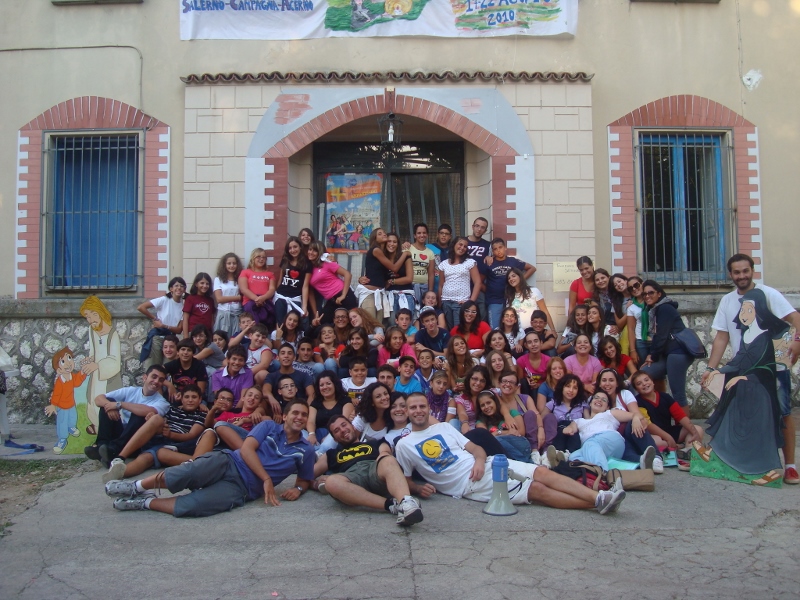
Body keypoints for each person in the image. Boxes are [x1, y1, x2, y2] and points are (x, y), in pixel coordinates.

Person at [395, 393, 626, 514]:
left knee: (542, 472)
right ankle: (596, 502)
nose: (418, 411)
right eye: (413, 407)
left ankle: (599, 497)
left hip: (487, 464)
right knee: (536, 490)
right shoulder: (404, 445)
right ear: (406, 411)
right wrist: (417, 489)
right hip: (469, 484)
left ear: (428, 408)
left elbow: (475, 448)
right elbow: (405, 479)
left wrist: (479, 460)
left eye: (422, 406)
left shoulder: (444, 428)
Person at [105, 400, 316, 517]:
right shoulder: (268, 426)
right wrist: (267, 479)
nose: (299, 417)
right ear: (285, 416)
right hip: (229, 462)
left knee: (193, 506)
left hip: (243, 489)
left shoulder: (306, 450)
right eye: (295, 413)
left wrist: (298, 489)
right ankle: (136, 486)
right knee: (186, 473)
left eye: (304, 415)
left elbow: (305, 478)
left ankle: (146, 502)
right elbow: (246, 450)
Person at [701, 254, 800, 485]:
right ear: (730, 274)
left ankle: (790, 466)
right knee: (738, 412)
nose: (742, 276)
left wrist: (798, 341)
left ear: (752, 270)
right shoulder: (727, 301)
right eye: (737, 272)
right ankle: (745, 463)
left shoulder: (768, 294)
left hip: (773, 367)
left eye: (745, 271)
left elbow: (796, 318)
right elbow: (721, 337)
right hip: (743, 367)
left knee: (782, 412)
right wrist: (711, 367)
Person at [312, 414, 423, 526]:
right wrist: (315, 484)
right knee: (331, 482)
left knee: (388, 459)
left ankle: (406, 502)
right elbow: (309, 475)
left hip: (374, 470)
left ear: (352, 426)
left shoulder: (374, 442)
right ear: (335, 438)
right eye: (336, 430)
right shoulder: (331, 454)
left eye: (344, 425)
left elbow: (385, 451)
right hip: (352, 478)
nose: (342, 430)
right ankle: (392, 505)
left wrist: (384, 455)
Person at [101, 384, 206, 483]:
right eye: (187, 397)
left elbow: (191, 435)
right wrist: (151, 417)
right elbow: (163, 420)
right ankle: (119, 461)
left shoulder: (201, 415)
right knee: (156, 418)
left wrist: (171, 435)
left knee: (145, 458)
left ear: (200, 399)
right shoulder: (172, 409)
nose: (190, 400)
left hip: (175, 442)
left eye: (194, 397)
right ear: (181, 399)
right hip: (159, 437)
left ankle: (121, 472)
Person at [84, 365, 170, 467]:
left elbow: (149, 410)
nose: (156, 381)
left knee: (139, 413)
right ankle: (102, 447)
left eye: (161, 380)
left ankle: (112, 450)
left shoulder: (163, 402)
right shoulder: (131, 391)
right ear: (145, 377)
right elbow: (99, 399)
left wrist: (119, 405)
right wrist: (110, 406)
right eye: (154, 377)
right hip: (121, 433)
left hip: (138, 442)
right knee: (107, 404)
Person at [561, 390, 655, 473]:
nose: (599, 400)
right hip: (593, 448)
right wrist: (568, 429)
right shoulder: (579, 421)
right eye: (596, 398)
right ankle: (626, 464)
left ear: (607, 407)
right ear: (590, 403)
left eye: (604, 400)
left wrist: (635, 419)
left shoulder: (610, 413)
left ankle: (603, 473)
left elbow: (635, 414)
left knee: (590, 444)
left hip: (610, 439)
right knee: (573, 457)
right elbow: (571, 427)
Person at [639, 280, 696, 410]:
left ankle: (684, 423)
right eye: (644, 294)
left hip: (678, 353)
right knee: (644, 373)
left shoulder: (664, 308)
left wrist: (652, 356)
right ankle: (659, 413)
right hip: (668, 353)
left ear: (659, 294)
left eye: (651, 293)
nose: (647, 296)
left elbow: (661, 335)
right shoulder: (655, 309)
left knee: (678, 393)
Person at [595, 368, 663, 473]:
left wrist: (635, 418)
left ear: (617, 383)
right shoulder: (595, 399)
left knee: (634, 423)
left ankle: (656, 459)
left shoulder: (624, 394)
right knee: (620, 446)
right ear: (599, 384)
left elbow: (638, 415)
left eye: (611, 380)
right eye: (604, 380)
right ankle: (643, 462)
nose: (607, 384)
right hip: (615, 439)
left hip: (632, 432)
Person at [79, 296, 122, 436]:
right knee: (92, 398)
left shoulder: (112, 334)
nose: (90, 320)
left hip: (106, 375)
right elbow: (94, 351)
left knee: (106, 399)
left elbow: (115, 360)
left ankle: (105, 428)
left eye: (91, 315)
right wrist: (89, 360)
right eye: (87, 317)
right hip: (96, 376)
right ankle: (96, 423)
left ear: (99, 313)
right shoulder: (92, 330)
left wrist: (97, 365)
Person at [631, 371, 704, 451]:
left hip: (669, 431)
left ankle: (688, 450)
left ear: (652, 382)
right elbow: (649, 425)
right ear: (636, 389)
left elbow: (680, 416)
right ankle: (676, 447)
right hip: (655, 435)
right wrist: (667, 437)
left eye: (646, 380)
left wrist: (695, 433)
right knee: (655, 442)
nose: (644, 384)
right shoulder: (637, 402)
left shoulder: (665, 397)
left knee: (697, 429)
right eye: (639, 383)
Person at [484, 238, 536, 329]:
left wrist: (520, 280)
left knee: (512, 328)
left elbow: (532, 268)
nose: (498, 250)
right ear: (492, 251)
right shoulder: (489, 263)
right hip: (494, 301)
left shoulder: (513, 261)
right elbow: (480, 280)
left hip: (512, 299)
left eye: (500, 247)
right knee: (495, 329)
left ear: (505, 248)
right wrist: (489, 290)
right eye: (495, 249)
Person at [137, 277, 186, 370]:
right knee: (154, 366)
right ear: (171, 288)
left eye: (181, 286)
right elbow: (141, 307)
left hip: (171, 338)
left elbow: (179, 329)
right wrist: (155, 319)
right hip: (158, 336)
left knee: (168, 367)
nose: (179, 288)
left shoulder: (183, 306)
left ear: (184, 289)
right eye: (176, 285)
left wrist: (164, 326)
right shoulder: (164, 300)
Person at [307, 241, 358, 325]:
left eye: (314, 251)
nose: (311, 252)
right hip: (331, 300)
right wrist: (315, 312)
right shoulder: (309, 268)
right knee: (322, 323)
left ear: (319, 253)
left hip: (344, 295)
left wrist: (343, 295)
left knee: (353, 323)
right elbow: (310, 293)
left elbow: (347, 274)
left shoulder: (326, 263)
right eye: (310, 250)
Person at [476, 389, 531, 463]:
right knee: (496, 441)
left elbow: (521, 432)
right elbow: (486, 439)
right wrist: (504, 432)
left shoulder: (512, 413)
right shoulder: (480, 422)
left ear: (495, 402)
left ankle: (528, 463)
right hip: (501, 454)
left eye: (489, 403)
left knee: (496, 440)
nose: (486, 407)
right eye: (482, 405)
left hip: (521, 446)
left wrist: (496, 434)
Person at [438, 236, 481, 330]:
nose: (462, 248)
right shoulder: (444, 264)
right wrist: (440, 303)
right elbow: (441, 285)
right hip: (446, 302)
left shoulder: (469, 262)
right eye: (460, 244)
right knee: (449, 330)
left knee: (459, 330)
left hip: (461, 303)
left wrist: (470, 302)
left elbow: (478, 283)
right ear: (454, 245)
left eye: (465, 246)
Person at [307, 372, 355, 448]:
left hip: (338, 434)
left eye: (328, 383)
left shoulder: (345, 400)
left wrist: (329, 437)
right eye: (321, 385)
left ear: (335, 384)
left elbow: (344, 421)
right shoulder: (315, 403)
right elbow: (311, 421)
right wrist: (312, 434)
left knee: (326, 446)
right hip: (318, 434)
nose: (325, 387)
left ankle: (320, 453)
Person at [273, 237, 312, 327]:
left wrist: (304, 306)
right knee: (280, 324)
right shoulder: (285, 260)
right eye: (290, 248)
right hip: (281, 297)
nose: (293, 250)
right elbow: (280, 279)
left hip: (295, 298)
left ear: (300, 247)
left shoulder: (307, 263)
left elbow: (305, 286)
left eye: (295, 247)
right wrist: (275, 296)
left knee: (296, 324)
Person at [239, 248, 277, 328]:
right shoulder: (245, 272)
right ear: (253, 258)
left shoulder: (270, 274)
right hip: (250, 303)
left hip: (265, 303)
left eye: (264, 257)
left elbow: (272, 289)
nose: (261, 259)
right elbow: (244, 289)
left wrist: (263, 298)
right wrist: (257, 299)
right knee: (253, 327)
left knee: (265, 328)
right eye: (258, 257)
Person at [466, 217, 491, 320]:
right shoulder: (463, 242)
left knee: (481, 314)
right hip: (463, 285)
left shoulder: (488, 246)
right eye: (477, 226)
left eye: (482, 227)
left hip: (479, 285)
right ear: (473, 226)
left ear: (485, 230)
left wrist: (490, 257)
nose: (479, 229)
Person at [213, 252, 244, 337]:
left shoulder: (240, 279)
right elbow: (219, 299)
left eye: (234, 263)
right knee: (222, 339)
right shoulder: (218, 279)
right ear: (224, 265)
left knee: (236, 339)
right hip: (224, 314)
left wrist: (228, 298)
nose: (232, 266)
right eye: (229, 263)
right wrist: (238, 298)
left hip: (238, 314)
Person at [406, 222, 436, 303]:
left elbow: (431, 274)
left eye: (424, 233)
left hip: (424, 287)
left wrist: (430, 291)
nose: (422, 235)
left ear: (427, 235)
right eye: (419, 233)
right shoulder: (408, 248)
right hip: (410, 286)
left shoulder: (430, 252)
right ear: (414, 235)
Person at [182, 272, 216, 339]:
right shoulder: (190, 298)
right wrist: (186, 337)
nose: (205, 286)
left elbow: (212, 320)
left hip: (207, 334)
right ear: (196, 284)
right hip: (194, 333)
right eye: (202, 283)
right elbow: (185, 319)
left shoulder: (210, 300)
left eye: (207, 284)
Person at [625, 275, 649, 366]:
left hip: (655, 339)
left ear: (642, 284)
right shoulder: (631, 306)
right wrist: (633, 350)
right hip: (641, 341)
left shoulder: (651, 300)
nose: (634, 289)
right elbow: (630, 329)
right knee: (644, 368)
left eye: (636, 285)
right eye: (631, 288)